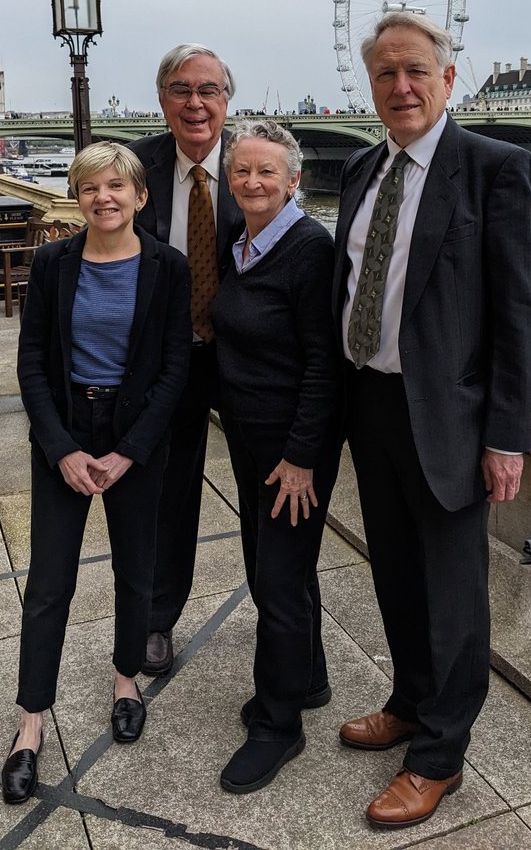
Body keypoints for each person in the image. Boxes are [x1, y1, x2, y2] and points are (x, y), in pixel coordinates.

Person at [334, 12, 531, 830]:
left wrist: (506, 436)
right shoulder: (361, 169)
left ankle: (440, 754)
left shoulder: (497, 169)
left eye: (416, 70)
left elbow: (517, 316)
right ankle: (410, 700)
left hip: (450, 417)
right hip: (371, 404)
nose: (401, 86)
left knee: (454, 594)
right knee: (394, 572)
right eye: (385, 73)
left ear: (448, 78)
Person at [1, 143, 191, 805]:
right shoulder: (53, 262)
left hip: (133, 436)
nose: (103, 198)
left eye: (116, 186)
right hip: (66, 431)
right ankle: (30, 721)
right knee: (49, 581)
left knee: (137, 568)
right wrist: (61, 449)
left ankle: (125, 680)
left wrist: (129, 451)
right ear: (77, 198)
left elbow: (174, 368)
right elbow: (31, 362)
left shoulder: (168, 267)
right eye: (89, 188)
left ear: (140, 196)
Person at [211, 121, 342, 793]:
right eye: (241, 171)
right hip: (249, 436)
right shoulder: (241, 243)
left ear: (294, 181)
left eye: (267, 172)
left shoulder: (309, 249)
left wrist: (301, 457)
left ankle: (278, 723)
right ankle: (308, 679)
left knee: (279, 583)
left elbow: (326, 361)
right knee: (272, 567)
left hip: (291, 447)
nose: (253, 182)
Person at [129, 45, 244, 678]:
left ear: (227, 100)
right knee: (167, 493)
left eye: (208, 90)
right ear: (162, 99)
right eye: (181, 89)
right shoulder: (136, 165)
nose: (195, 103)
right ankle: (155, 618)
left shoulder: (254, 161)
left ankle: (292, 635)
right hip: (168, 357)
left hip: (243, 355)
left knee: (272, 489)